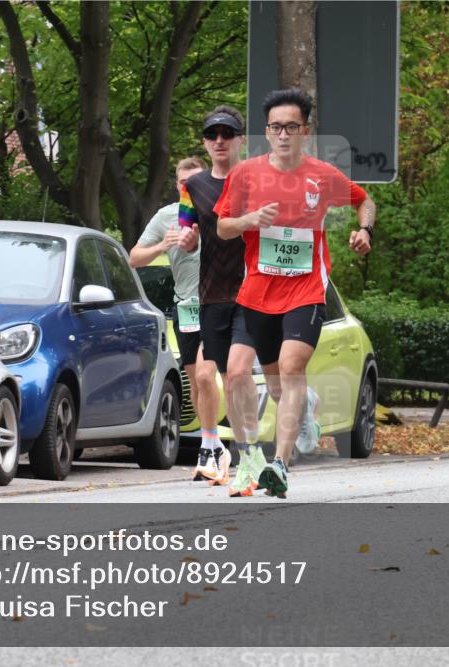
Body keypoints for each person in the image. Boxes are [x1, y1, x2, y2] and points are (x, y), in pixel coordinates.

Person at [215, 88, 376, 498]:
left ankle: (280, 466)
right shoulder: (246, 174)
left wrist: (364, 230)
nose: (283, 134)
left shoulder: (321, 175)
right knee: (244, 376)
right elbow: (223, 227)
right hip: (258, 291)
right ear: (266, 132)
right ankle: (274, 432)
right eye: (275, 127)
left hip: (306, 288)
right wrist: (250, 218)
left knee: (290, 367)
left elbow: (364, 201)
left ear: (305, 131)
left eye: (291, 126)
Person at [176, 105, 261, 491]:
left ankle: (249, 456)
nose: (220, 141)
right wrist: (188, 239)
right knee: (216, 376)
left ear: (240, 139)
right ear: (205, 142)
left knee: (238, 376)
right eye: (213, 135)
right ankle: (217, 450)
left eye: (228, 134)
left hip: (251, 292)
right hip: (211, 294)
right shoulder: (191, 187)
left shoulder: (258, 180)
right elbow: (186, 230)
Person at [129, 157, 211, 478]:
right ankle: (210, 441)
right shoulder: (166, 217)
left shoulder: (221, 210)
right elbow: (134, 257)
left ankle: (216, 446)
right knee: (195, 382)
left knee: (209, 373)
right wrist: (161, 245)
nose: (188, 188)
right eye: (182, 183)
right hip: (186, 308)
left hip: (220, 306)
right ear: (177, 185)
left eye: (194, 182)